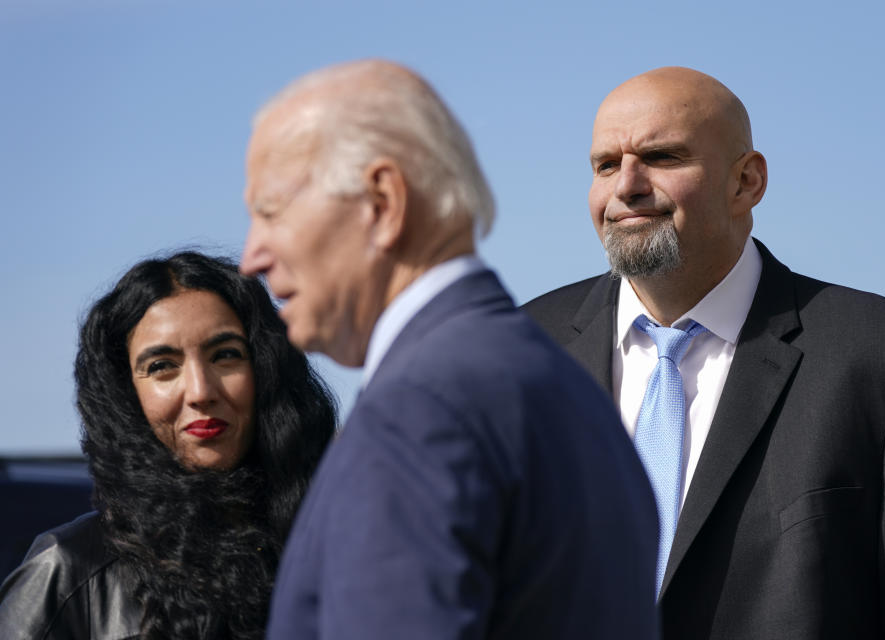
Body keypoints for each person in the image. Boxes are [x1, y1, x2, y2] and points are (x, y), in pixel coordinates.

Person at [523, 66, 885, 639]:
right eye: (606, 165)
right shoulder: (521, 351)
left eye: (661, 156)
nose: (625, 185)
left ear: (747, 182)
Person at [240, 59, 660, 639]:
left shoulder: (416, 410)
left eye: (270, 212)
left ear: (382, 203)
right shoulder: (565, 385)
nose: (251, 257)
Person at [0, 251, 337, 640]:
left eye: (225, 356)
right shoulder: (68, 571)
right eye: (162, 366)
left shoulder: (337, 547)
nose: (200, 391)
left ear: (265, 370)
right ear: (125, 395)